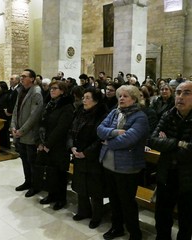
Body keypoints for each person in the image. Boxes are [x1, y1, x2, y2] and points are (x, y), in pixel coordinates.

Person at [97, 85, 149, 240]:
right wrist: (113, 133)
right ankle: (117, 227)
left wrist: (107, 142)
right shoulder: (115, 112)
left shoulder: (140, 117)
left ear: (134, 99)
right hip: (108, 163)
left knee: (127, 203)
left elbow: (129, 139)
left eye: (125, 96)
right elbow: (100, 129)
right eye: (120, 96)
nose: (121, 99)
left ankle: (135, 233)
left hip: (127, 167)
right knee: (113, 199)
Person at [149, 81, 192, 240]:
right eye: (178, 92)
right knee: (162, 217)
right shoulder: (169, 114)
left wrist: (167, 145)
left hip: (188, 178)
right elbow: (152, 140)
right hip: (166, 174)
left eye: (186, 93)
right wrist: (178, 143)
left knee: (186, 219)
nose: (180, 97)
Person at [67, 87, 108, 229]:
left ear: (96, 100)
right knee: (80, 185)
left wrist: (86, 152)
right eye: (83, 97)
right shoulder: (80, 111)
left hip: (93, 156)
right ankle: (83, 211)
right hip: (78, 152)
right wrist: (72, 146)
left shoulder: (102, 114)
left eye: (87, 97)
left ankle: (97, 215)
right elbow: (71, 130)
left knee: (95, 188)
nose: (84, 100)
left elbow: (100, 138)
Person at [37, 81, 74, 210]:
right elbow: (42, 123)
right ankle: (51, 194)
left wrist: (48, 143)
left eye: (55, 88)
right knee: (50, 171)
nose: (52, 90)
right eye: (51, 88)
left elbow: (62, 128)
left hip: (59, 145)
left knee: (60, 173)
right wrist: (41, 142)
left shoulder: (67, 106)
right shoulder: (50, 104)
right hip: (47, 143)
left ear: (62, 91)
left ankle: (61, 198)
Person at [11, 69, 43, 198]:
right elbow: (15, 110)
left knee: (32, 161)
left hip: (29, 134)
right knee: (24, 159)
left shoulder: (36, 93)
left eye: (24, 76)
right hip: (19, 132)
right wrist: (13, 126)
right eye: (21, 76)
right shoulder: (21, 91)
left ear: (32, 79)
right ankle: (27, 181)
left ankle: (36, 185)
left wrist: (21, 131)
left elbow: (34, 116)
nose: (21, 78)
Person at [0, 81, 11, 149]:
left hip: (3, 116)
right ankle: (0, 145)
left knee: (4, 132)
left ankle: (6, 146)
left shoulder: (7, 94)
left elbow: (7, 105)